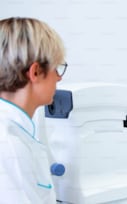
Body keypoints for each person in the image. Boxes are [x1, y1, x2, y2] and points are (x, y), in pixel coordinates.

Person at [0, 17, 67, 203]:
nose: (59, 79)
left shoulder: (17, 131)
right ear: (35, 72)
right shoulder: (9, 145)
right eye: (57, 69)